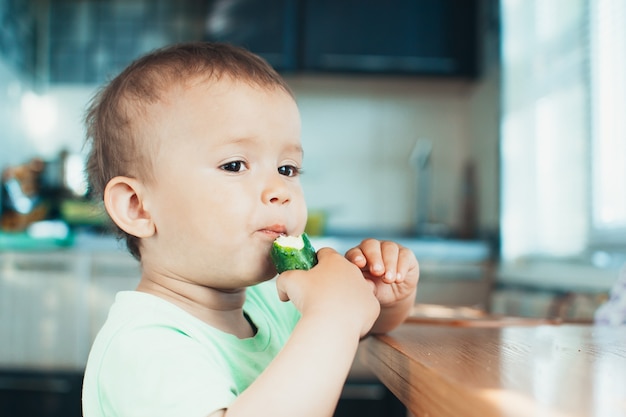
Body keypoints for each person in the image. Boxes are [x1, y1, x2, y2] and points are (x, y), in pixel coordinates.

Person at [81, 41, 419, 417]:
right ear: (137, 207)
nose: (280, 191)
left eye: (287, 169)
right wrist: (333, 314)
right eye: (235, 165)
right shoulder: (142, 348)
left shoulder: (266, 302)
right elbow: (335, 327)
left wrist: (378, 295)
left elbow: (364, 326)